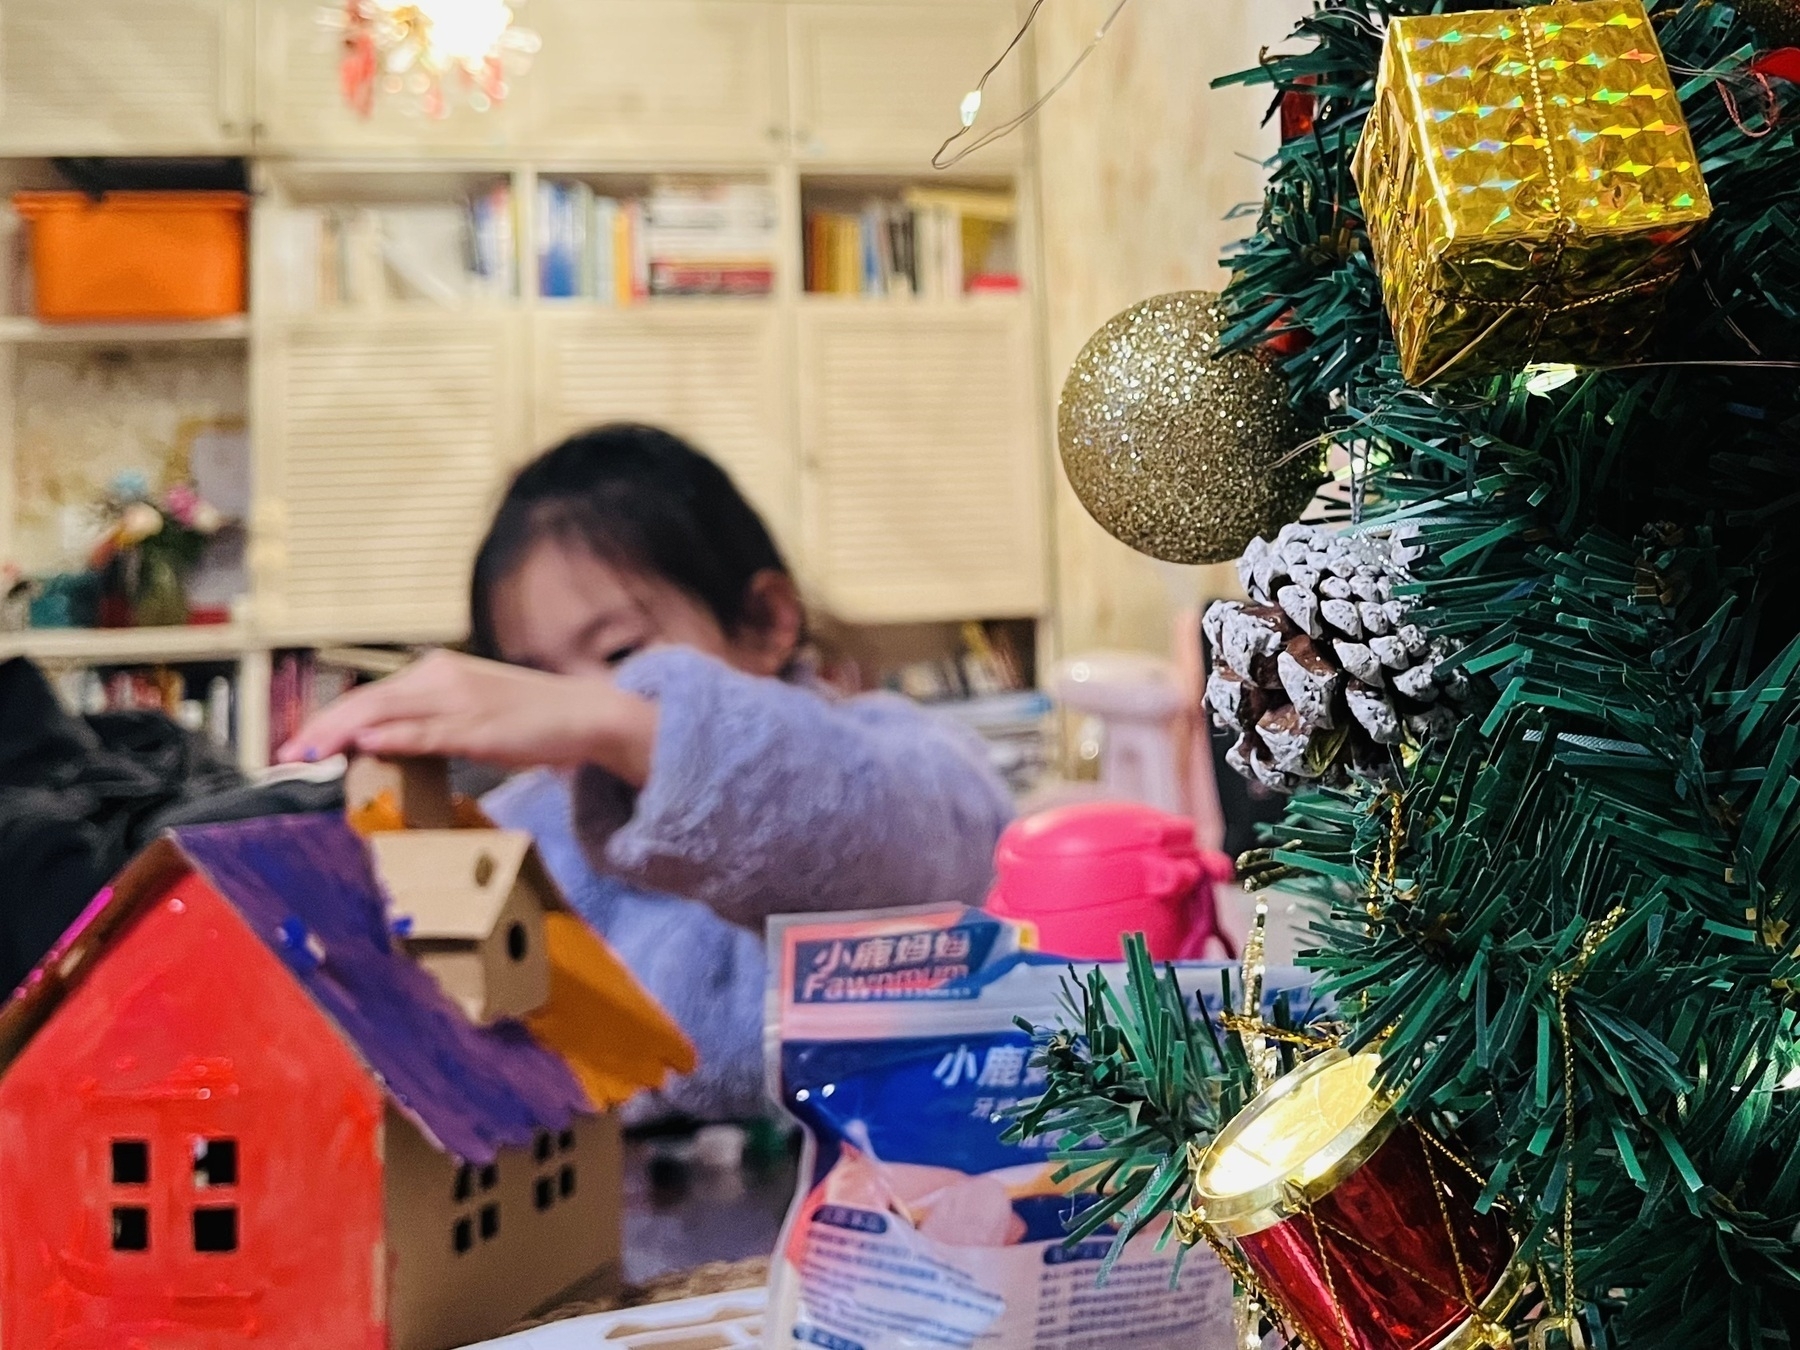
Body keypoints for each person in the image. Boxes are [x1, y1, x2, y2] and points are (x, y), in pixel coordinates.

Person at [283, 424, 1014, 1121]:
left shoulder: (892, 754)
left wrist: (621, 721)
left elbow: (924, 849)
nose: (566, 709)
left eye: (621, 653)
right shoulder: (522, 830)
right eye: (536, 680)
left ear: (765, 621)